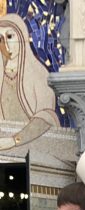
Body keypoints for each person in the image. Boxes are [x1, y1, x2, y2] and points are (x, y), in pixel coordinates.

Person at [0, 14, 59, 150]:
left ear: (22, 37)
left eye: (10, 36)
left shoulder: (39, 74)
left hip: (33, 147)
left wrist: (15, 140)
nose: (6, 45)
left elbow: (46, 117)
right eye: (0, 39)